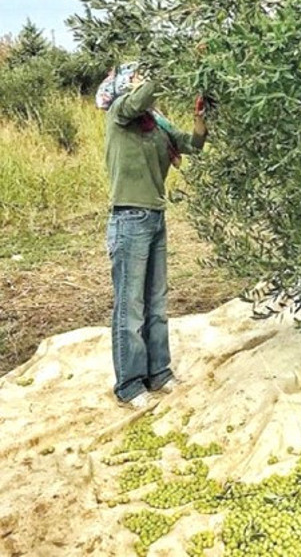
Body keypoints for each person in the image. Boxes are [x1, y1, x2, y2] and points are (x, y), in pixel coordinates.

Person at [96, 64, 208, 409]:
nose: (140, 84)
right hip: (128, 218)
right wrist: (163, 66)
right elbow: (139, 98)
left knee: (156, 303)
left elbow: (193, 144)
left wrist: (201, 116)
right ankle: (129, 385)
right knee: (130, 307)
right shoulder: (120, 113)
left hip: (155, 217)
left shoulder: (156, 122)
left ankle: (159, 372)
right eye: (135, 79)